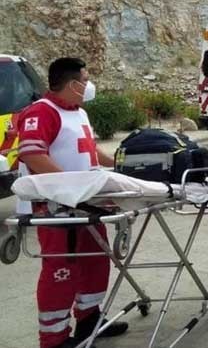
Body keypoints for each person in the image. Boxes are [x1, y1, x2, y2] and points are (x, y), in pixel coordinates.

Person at [16, 58, 129, 348]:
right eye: (86, 79)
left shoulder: (78, 113)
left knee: (95, 264)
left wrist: (123, 164)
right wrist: (70, 187)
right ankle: (53, 338)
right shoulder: (42, 112)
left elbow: (90, 151)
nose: (89, 85)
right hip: (59, 210)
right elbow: (32, 155)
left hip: (87, 206)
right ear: (72, 84)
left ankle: (89, 320)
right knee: (61, 273)